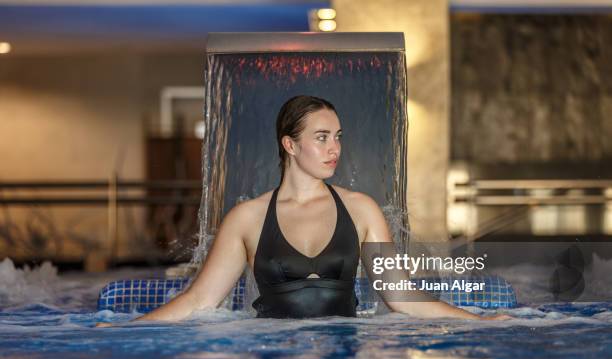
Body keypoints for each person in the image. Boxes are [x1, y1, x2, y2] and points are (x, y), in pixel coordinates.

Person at [96, 95, 509, 327]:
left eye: (338, 137)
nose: (335, 149)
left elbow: (402, 297)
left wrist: (478, 319)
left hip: (344, 352)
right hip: (272, 352)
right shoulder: (248, 218)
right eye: (322, 137)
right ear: (290, 145)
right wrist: (124, 331)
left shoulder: (361, 210)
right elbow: (199, 301)